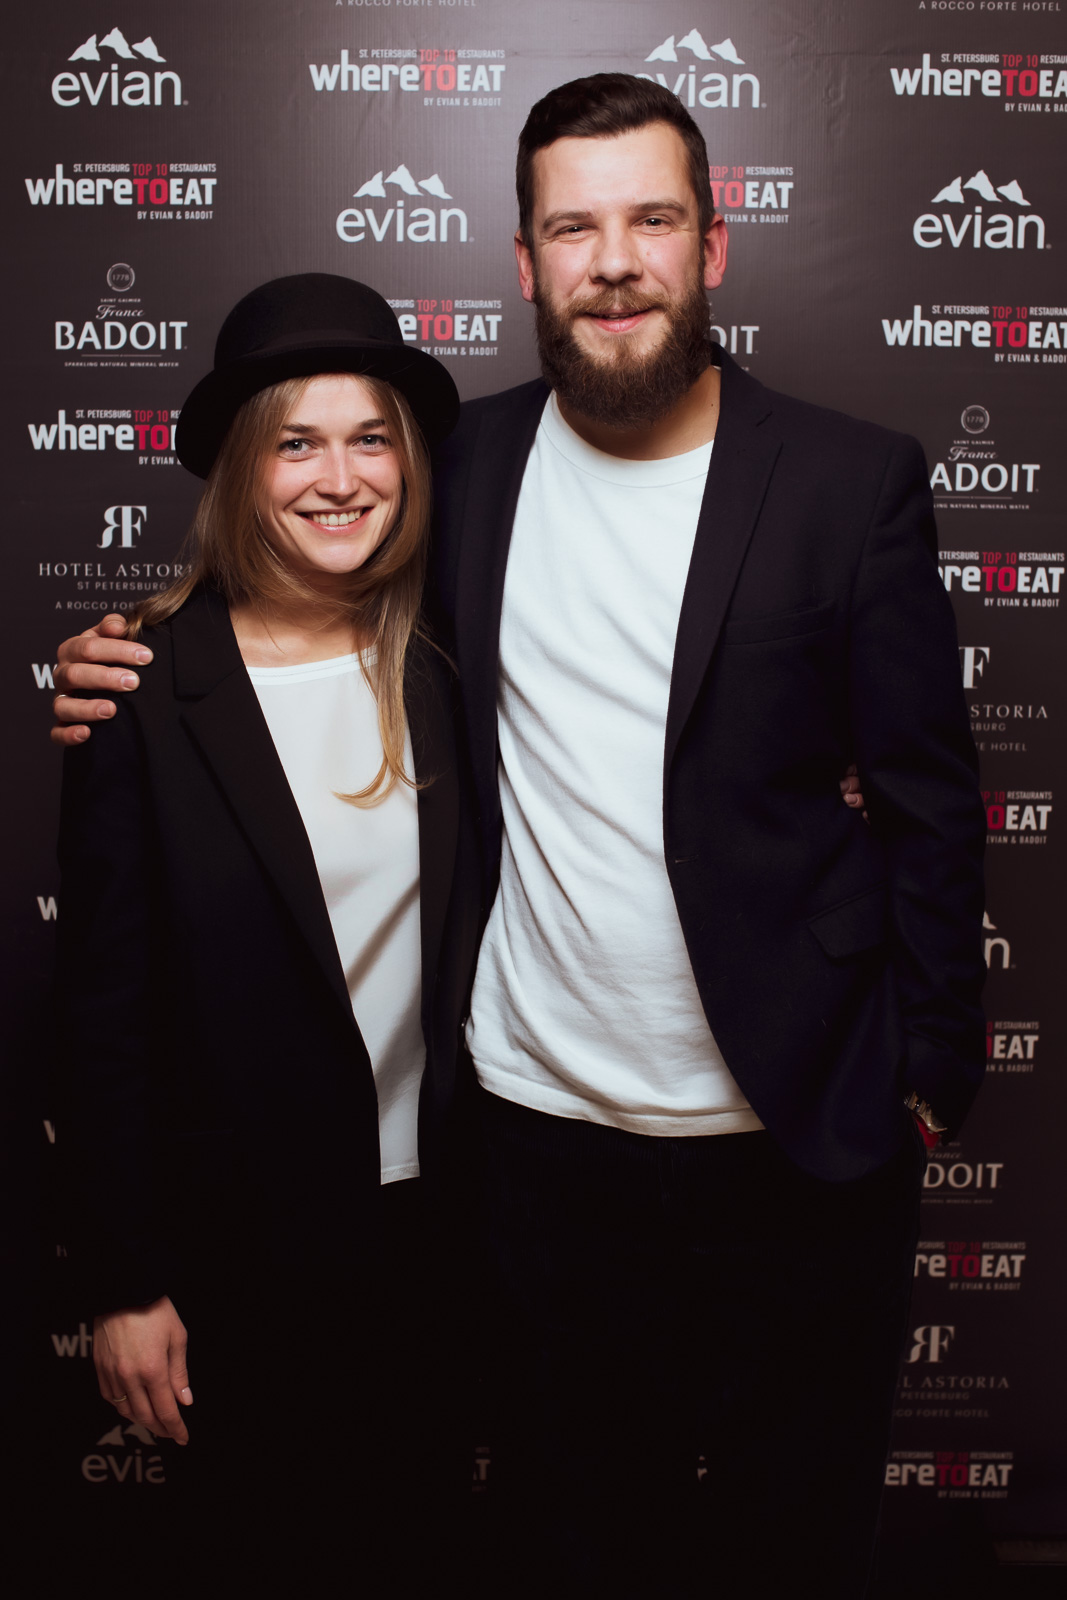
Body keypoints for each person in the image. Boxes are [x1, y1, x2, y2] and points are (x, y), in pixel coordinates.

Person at [52, 74, 985, 1599]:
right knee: (573, 1536)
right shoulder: (463, 466)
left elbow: (933, 800)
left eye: (652, 221)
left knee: (793, 1538)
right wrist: (129, 658)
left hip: (801, 1136)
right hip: (540, 1144)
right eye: (573, 229)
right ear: (525, 261)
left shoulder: (847, 477)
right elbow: (289, 582)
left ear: (712, 245)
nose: (614, 262)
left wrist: (934, 1070)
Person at [51, 273, 478, 1594]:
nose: (339, 479)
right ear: (244, 468)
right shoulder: (141, 689)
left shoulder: (456, 660)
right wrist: (125, 1284)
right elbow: (101, 1017)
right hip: (239, 1257)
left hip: (449, 1239)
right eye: (297, 442)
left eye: (370, 439)